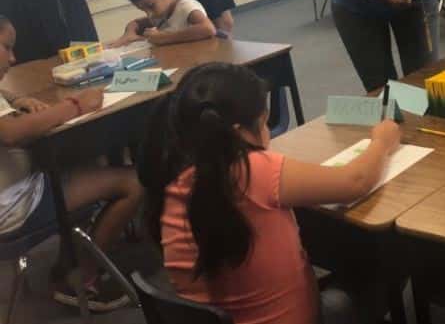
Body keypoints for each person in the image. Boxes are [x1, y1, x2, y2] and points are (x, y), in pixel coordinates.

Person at [139, 62, 401, 324]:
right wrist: (382, 141)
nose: (267, 133)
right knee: (388, 258)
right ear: (238, 133)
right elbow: (355, 181)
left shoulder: (172, 174)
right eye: (264, 124)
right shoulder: (249, 169)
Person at [0, 15, 143, 311]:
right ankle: (80, 281)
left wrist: (15, 99)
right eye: (7, 47)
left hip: (14, 193)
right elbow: (11, 133)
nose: (13, 58)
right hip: (15, 207)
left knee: (81, 161)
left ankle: (70, 261)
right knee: (134, 182)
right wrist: (76, 105)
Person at [110, 0, 216, 47]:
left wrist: (163, 37)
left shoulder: (186, 6)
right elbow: (135, 23)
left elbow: (208, 29)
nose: (149, 14)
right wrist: (128, 35)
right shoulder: (160, 13)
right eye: (143, 10)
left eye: (151, 6)